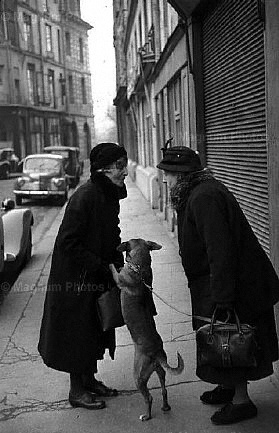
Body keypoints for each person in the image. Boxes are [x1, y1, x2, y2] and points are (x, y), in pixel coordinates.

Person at [157, 146, 279, 425]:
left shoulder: (204, 198)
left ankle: (241, 402)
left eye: (167, 174)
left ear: (181, 175)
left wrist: (223, 297)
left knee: (230, 339)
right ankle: (227, 388)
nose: (165, 180)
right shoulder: (200, 192)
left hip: (234, 284)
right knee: (223, 340)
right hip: (222, 281)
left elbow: (219, 249)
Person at [38, 142, 128, 410]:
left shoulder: (109, 195)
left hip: (95, 273)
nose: (125, 172)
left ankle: (89, 380)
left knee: (96, 329)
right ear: (103, 169)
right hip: (75, 279)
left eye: (125, 165)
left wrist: (117, 264)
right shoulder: (85, 197)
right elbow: (68, 243)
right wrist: (102, 266)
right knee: (78, 334)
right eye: (120, 166)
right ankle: (76, 391)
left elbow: (113, 233)